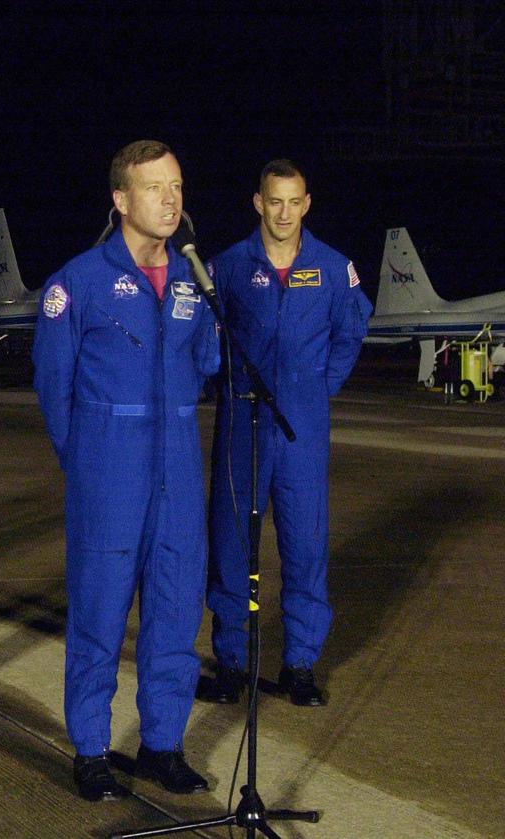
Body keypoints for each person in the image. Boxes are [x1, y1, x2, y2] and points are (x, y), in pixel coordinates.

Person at [33, 140, 220, 801]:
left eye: (176, 185)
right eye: (153, 187)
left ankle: (162, 745)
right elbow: (54, 389)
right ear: (120, 199)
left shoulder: (199, 282)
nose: (170, 199)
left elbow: (206, 366)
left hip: (177, 466)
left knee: (174, 610)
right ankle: (90, 747)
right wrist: (87, 462)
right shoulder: (77, 282)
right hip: (109, 471)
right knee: (100, 613)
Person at [197, 160, 371, 708]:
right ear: (258, 203)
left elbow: (351, 332)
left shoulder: (334, 267)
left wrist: (319, 388)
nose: (284, 213)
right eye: (275, 201)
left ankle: (299, 664)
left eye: (294, 202)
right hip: (242, 425)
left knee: (305, 545)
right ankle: (230, 662)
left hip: (302, 430)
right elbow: (206, 338)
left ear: (307, 204)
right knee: (231, 545)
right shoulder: (226, 267)